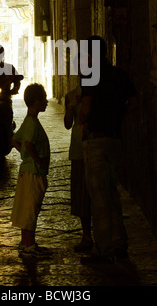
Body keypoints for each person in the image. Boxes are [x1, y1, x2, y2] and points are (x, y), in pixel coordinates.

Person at [79, 35, 136, 263]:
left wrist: (84, 117)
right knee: (112, 193)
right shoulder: (120, 75)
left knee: (99, 198)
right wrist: (119, 115)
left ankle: (104, 248)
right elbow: (133, 101)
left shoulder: (90, 76)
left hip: (96, 141)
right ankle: (120, 241)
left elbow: (86, 109)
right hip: (115, 140)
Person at [11, 83, 51, 257]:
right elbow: (27, 143)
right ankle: (29, 245)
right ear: (36, 102)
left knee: (26, 208)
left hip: (28, 171)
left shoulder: (28, 122)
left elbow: (15, 140)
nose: (47, 102)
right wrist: (38, 160)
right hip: (33, 173)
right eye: (44, 99)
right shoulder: (33, 124)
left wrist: (25, 156)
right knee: (30, 210)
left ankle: (25, 242)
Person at [64, 79, 92, 253]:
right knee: (81, 193)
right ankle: (86, 235)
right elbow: (67, 124)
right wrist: (70, 106)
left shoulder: (98, 94)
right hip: (78, 148)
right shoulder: (70, 95)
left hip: (94, 144)